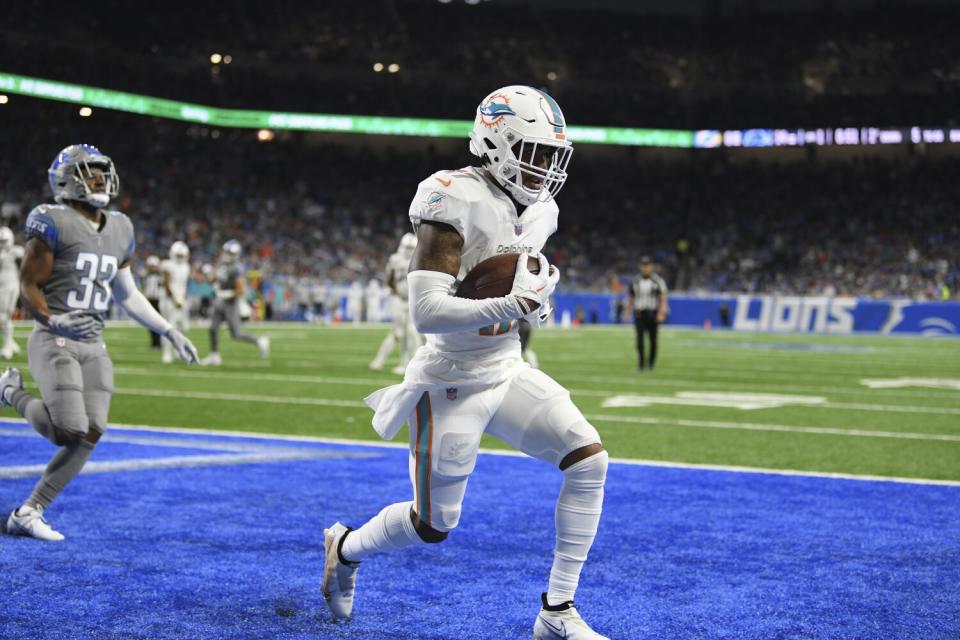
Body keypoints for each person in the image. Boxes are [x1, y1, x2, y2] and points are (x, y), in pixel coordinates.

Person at [322, 86, 609, 640]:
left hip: (505, 367)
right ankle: (346, 547)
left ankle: (556, 612)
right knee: (433, 526)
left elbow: (519, 271)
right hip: (449, 379)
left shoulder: (541, 206)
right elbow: (427, 313)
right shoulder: (451, 197)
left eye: (552, 155)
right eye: (534, 151)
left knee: (590, 461)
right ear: (497, 143)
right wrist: (514, 302)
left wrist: (537, 294)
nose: (544, 167)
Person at [0, 144, 198, 541]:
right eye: (90, 172)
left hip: (94, 341)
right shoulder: (50, 219)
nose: (99, 180)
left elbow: (127, 293)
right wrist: (54, 319)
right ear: (66, 178)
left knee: (93, 430)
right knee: (68, 429)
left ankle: (29, 510)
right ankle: (10, 391)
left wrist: (169, 330)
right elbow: (28, 285)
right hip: (54, 336)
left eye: (102, 172)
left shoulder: (120, 226)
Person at [200, 240, 269, 366]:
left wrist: (227, 294)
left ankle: (259, 340)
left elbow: (241, 290)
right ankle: (214, 355)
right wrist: (207, 275)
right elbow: (214, 280)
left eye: (230, 252)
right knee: (212, 328)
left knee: (236, 334)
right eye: (226, 251)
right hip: (220, 300)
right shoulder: (221, 264)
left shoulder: (237, 268)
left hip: (230, 303)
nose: (226, 254)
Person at [369, 233, 422, 374]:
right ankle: (382, 361)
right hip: (399, 299)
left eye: (411, 247)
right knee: (398, 332)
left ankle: (413, 363)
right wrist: (394, 292)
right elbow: (390, 278)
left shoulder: (420, 259)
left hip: (413, 301)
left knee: (410, 331)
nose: (408, 250)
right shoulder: (395, 259)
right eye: (406, 247)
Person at [627, 256, 668, 371]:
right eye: (643, 265)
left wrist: (661, 312)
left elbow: (663, 298)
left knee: (653, 340)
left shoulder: (658, 281)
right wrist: (627, 311)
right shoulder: (635, 281)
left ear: (651, 266)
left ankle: (651, 364)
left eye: (647, 265)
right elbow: (630, 297)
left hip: (652, 313)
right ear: (640, 267)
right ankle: (640, 364)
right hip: (640, 313)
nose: (645, 268)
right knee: (639, 340)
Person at [160, 241, 191, 364]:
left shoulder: (186, 267)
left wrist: (182, 299)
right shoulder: (167, 265)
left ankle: (179, 351)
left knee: (182, 327)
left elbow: (184, 285)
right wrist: (175, 299)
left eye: (181, 255)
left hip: (181, 299)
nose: (180, 258)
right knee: (168, 327)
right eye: (178, 255)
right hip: (169, 300)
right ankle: (167, 353)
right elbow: (167, 284)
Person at [0, 226, 25, 359]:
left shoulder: (16, 251)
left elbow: (26, 261)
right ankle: (11, 344)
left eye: (4, 241)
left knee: (4, 317)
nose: (3, 244)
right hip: (3, 287)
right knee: (4, 318)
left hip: (11, 287)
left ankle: (8, 345)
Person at [142, 255, 163, 349]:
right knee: (151, 323)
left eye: (153, 266)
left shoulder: (161, 275)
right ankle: (154, 343)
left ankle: (159, 343)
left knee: (159, 322)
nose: (152, 267)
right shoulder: (145, 275)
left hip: (159, 300)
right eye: (151, 266)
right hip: (149, 300)